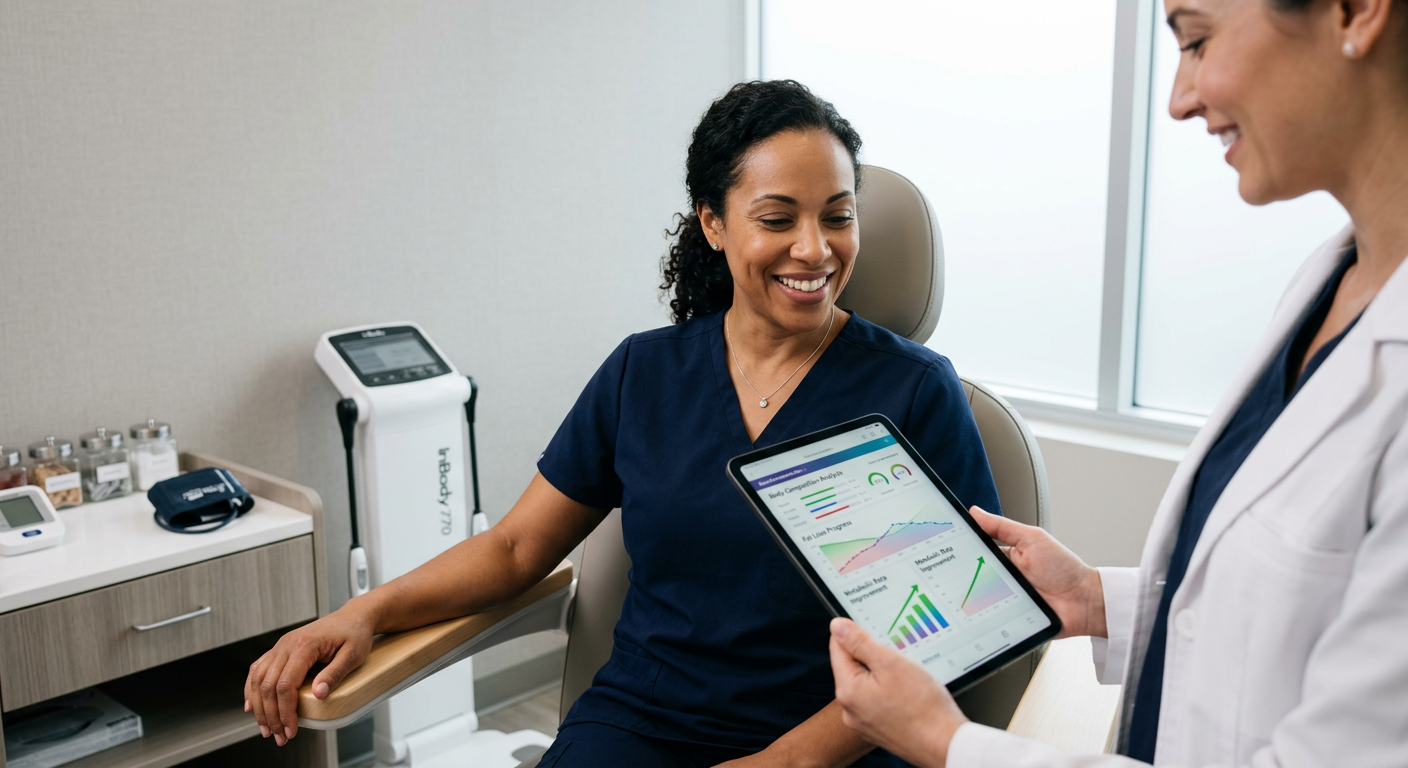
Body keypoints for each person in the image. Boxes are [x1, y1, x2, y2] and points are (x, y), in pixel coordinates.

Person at [245, 79, 1002, 767]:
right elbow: (515, 547)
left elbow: (956, 633)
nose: (816, 248)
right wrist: (361, 612)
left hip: (838, 739)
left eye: (838, 217)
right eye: (778, 219)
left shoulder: (913, 393)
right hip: (642, 727)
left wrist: (788, 763)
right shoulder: (645, 373)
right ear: (713, 223)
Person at [827, 0, 1408, 765]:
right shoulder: (1330, 281)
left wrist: (948, 745)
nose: (1179, 98)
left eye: (1197, 41)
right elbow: (1285, 614)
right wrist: (1098, 599)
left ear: (1355, 11)